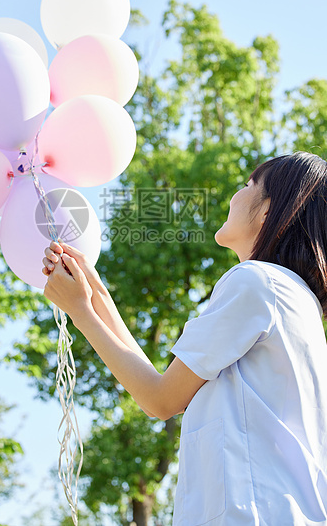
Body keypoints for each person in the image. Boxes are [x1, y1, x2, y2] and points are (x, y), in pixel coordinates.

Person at [42, 151, 327, 525]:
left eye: (247, 186)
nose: (233, 196)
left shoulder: (257, 282)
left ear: (268, 211)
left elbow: (160, 399)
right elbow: (160, 388)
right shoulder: (289, 297)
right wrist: (95, 296)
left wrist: (80, 311)